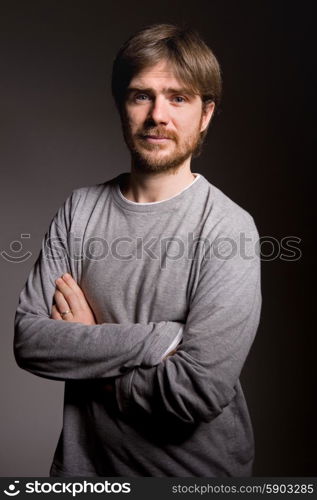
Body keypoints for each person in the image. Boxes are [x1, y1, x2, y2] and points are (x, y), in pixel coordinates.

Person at [14, 23, 262, 477]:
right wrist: (160, 339)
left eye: (178, 97)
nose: (157, 116)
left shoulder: (229, 228)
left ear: (206, 114)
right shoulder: (80, 209)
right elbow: (30, 340)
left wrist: (89, 347)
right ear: (122, 106)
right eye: (141, 95)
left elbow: (195, 392)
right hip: (83, 476)